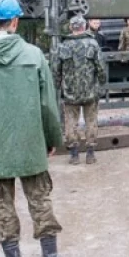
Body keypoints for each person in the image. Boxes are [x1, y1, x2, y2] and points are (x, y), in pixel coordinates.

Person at [0, 0, 66, 257]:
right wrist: (51, 139)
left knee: (1, 202)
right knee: (39, 197)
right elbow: (48, 104)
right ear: (15, 22)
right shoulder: (34, 56)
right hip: (31, 140)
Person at [54, 16, 107, 166]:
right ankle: (90, 154)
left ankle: (74, 155)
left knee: (71, 122)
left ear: (71, 28)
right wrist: (101, 83)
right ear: (84, 27)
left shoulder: (63, 46)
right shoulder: (93, 44)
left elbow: (56, 70)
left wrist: (58, 86)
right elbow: (101, 67)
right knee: (91, 121)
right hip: (90, 91)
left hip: (70, 93)